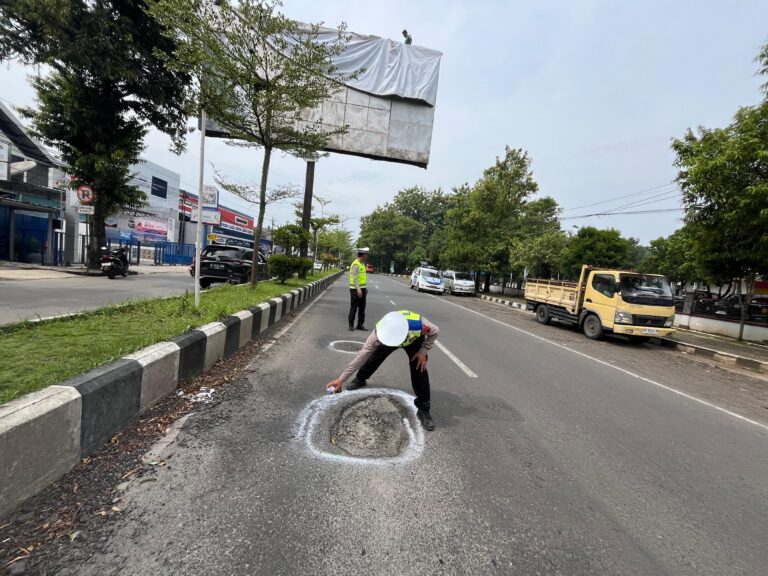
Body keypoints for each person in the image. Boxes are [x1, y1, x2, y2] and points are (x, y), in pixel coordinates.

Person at [326, 310, 438, 431]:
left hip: (413, 341)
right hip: (391, 338)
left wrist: (423, 351)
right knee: (374, 356)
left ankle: (424, 408)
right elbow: (362, 356)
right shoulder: (379, 334)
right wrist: (341, 379)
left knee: (419, 366)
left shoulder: (419, 325)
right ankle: (360, 378)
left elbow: (435, 331)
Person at [348, 247, 369, 331]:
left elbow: (362, 278)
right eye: (366, 255)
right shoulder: (355, 264)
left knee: (362, 308)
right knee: (354, 307)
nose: (366, 256)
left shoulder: (362, 263)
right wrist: (358, 289)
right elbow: (355, 278)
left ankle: (360, 325)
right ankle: (351, 325)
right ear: (363, 255)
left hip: (362, 288)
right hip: (355, 289)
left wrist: (364, 288)